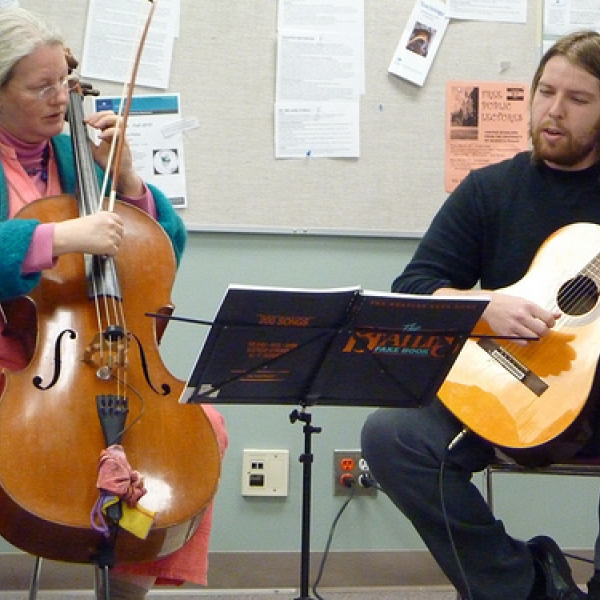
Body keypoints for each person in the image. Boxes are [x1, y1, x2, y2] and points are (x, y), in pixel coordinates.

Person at [361, 30, 600, 600]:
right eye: (546, 92)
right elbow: (413, 290)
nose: (553, 111)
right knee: (391, 435)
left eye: (578, 100)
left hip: (594, 401)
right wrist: (484, 307)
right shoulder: (490, 190)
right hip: (507, 391)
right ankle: (524, 585)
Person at [0, 8, 228, 600]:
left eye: (63, 82)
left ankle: (128, 589)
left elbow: (160, 255)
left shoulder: (75, 154)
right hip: (11, 357)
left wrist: (127, 182)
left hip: (96, 354)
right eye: (40, 86)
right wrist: (57, 238)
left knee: (202, 430)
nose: (60, 98)